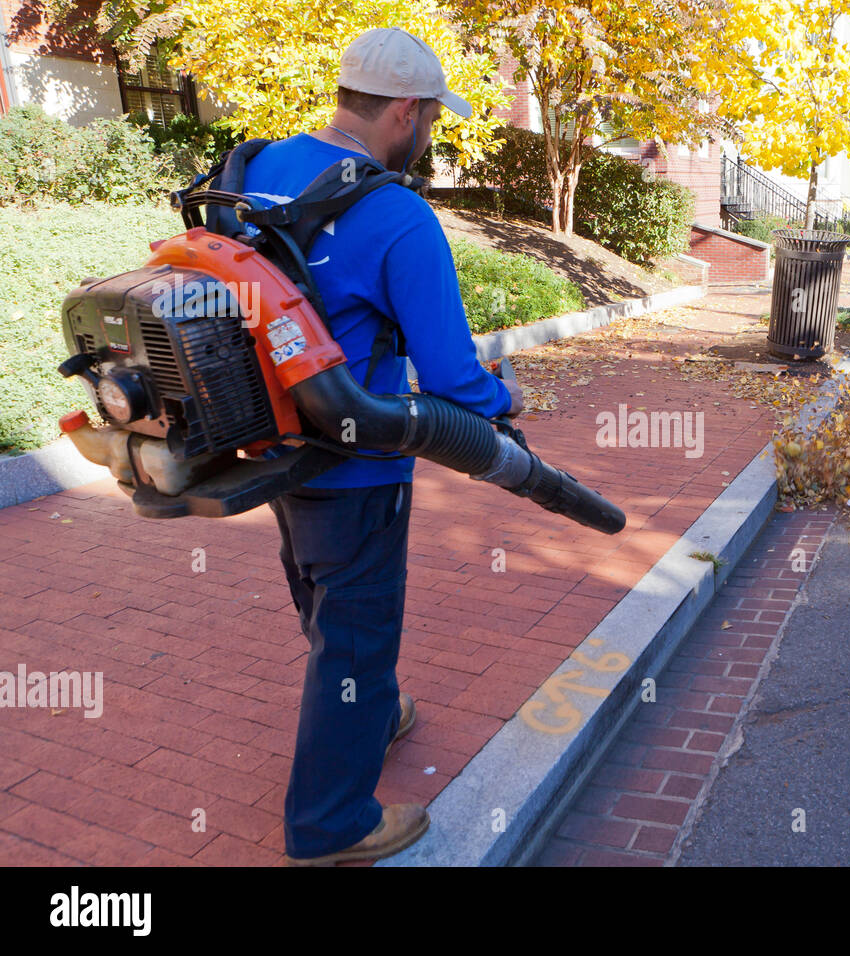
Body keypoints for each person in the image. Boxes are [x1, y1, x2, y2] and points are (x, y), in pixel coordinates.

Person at [239, 27, 524, 865]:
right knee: (355, 629)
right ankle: (332, 825)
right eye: (430, 117)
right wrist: (508, 397)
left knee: (317, 586)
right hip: (360, 461)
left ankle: (377, 706)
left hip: (271, 441)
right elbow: (453, 381)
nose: (430, 133)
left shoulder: (255, 171)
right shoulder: (397, 214)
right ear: (404, 110)